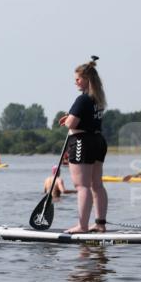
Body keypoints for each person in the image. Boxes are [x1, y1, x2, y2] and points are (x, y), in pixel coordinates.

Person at [58, 56, 108, 233]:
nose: (76, 83)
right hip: (98, 141)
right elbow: (84, 118)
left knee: (82, 186)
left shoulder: (82, 99)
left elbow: (71, 124)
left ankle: (83, 226)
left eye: (78, 79)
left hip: (82, 142)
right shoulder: (98, 99)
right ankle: (100, 223)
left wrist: (66, 120)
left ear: (87, 79)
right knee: (97, 184)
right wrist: (71, 118)